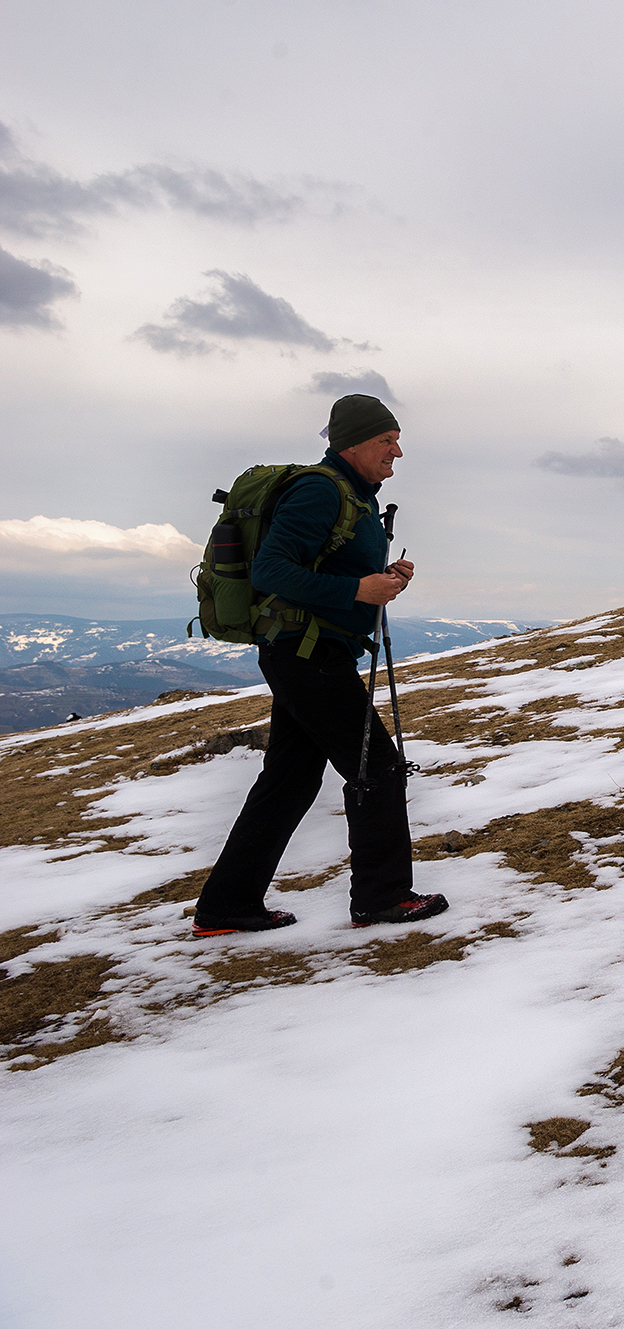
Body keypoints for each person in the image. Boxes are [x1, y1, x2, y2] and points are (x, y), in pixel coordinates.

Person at [191, 393, 448, 936]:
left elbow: (320, 567)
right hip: (306, 653)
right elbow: (271, 572)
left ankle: (227, 906)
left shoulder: (352, 494)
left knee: (288, 778)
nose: (397, 452)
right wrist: (360, 588)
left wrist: (381, 578)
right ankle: (383, 898)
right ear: (352, 443)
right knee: (375, 768)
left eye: (396, 440)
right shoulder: (318, 490)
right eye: (386, 440)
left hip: (307, 651)